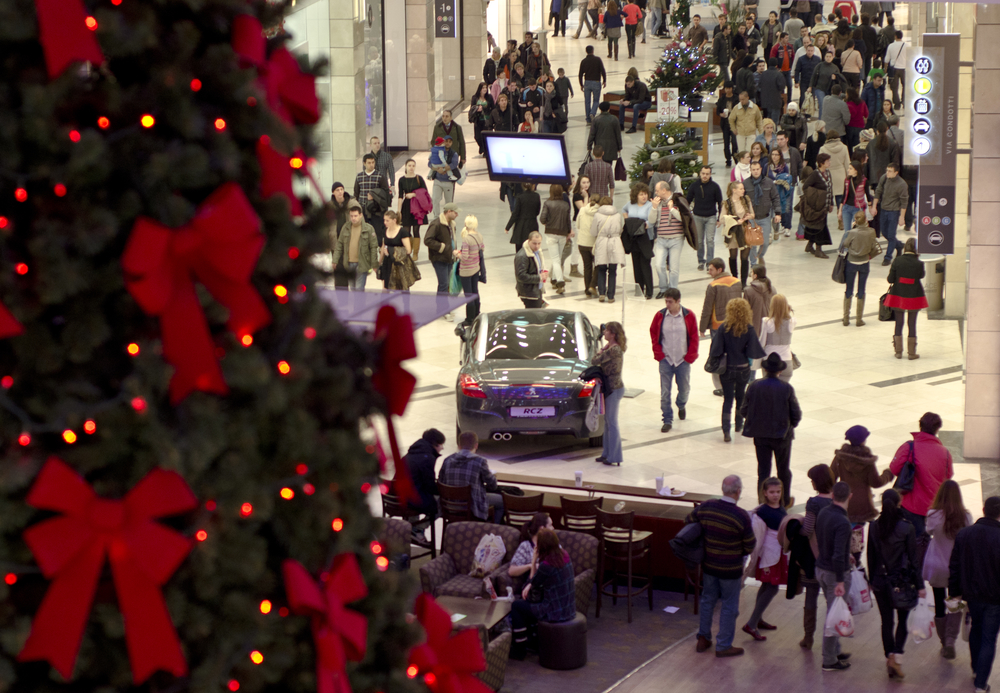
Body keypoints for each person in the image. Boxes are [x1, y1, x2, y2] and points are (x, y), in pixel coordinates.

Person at [688, 475, 756, 658]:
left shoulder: (707, 506)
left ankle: (703, 638)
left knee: (707, 600)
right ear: (738, 492)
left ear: (722, 489)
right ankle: (723, 645)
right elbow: (750, 545)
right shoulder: (741, 515)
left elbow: (689, 520)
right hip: (730, 570)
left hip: (709, 565)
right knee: (729, 606)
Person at [867, 488, 922, 679]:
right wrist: (920, 585)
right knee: (902, 621)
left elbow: (871, 556)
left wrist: (871, 580)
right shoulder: (907, 528)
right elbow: (914, 561)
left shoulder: (874, 526)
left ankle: (889, 656)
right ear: (899, 503)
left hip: (880, 581)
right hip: (902, 581)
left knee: (886, 621)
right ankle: (896, 657)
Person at [949, 495, 1000, 693]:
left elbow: (954, 566)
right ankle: (981, 684)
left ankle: (975, 669)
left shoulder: (965, 534)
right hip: (995, 598)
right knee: (989, 638)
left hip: (972, 595)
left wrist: (954, 593)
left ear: (983, 509)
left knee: (975, 630)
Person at [741, 353, 801, 505]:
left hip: (760, 435)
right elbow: (796, 413)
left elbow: (744, 410)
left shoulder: (754, 385)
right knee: (783, 470)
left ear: (766, 370)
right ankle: (784, 500)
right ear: (779, 371)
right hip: (782, 436)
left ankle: (763, 501)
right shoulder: (786, 388)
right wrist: (790, 425)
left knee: (763, 470)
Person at [510, 528, 577, 660]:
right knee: (527, 605)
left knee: (517, 606)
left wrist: (534, 561)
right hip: (568, 607)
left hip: (553, 611)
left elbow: (531, 587)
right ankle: (533, 640)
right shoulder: (564, 555)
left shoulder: (547, 565)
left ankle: (520, 648)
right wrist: (531, 584)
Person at [924, 480, 972, 659]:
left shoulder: (933, 514)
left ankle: (943, 641)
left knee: (938, 603)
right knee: (955, 603)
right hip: (956, 568)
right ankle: (951, 639)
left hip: (936, 566)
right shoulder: (966, 517)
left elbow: (929, 531)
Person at [889, 412, 954, 541]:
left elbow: (894, 468)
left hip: (910, 504)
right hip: (934, 505)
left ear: (920, 426)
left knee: (913, 542)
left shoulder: (909, 447)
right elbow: (948, 476)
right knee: (927, 541)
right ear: (937, 429)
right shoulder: (945, 453)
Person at [742, 477, 791, 641]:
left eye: (778, 492)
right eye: (772, 492)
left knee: (766, 586)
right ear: (764, 493)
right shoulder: (763, 511)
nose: (776, 495)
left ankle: (758, 619)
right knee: (772, 587)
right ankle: (751, 623)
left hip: (777, 554)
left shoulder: (780, 508)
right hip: (770, 556)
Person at [710, 298, 766, 442]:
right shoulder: (748, 328)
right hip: (743, 369)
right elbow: (755, 351)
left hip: (727, 369)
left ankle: (726, 430)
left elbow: (716, 350)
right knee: (741, 397)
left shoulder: (724, 328)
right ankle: (738, 425)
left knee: (727, 399)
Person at [814, 481, 854, 672]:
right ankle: (829, 659)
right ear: (850, 497)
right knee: (833, 617)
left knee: (833, 611)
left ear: (832, 495)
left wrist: (846, 554)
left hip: (821, 568)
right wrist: (840, 580)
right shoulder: (843, 522)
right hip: (834, 574)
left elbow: (825, 541)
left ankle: (835, 650)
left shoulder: (824, 513)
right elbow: (838, 555)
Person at [650, 288, 698, 433]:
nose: (667, 304)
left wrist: (690, 357)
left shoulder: (688, 316)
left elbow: (694, 337)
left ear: (678, 301)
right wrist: (658, 354)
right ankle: (667, 419)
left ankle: (681, 404)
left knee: (684, 389)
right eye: (666, 301)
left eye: (670, 302)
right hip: (666, 360)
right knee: (665, 393)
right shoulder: (660, 316)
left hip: (683, 360)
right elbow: (653, 333)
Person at [885, 237, 927, 359]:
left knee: (899, 323)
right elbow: (921, 275)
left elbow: (890, 279)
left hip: (898, 294)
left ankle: (898, 351)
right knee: (912, 323)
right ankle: (912, 353)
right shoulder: (919, 263)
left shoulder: (897, 261)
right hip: (914, 295)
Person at [592, 322, 626, 465]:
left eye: (607, 331)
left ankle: (615, 456)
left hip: (614, 388)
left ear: (613, 334)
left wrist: (601, 352)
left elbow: (595, 360)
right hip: (609, 388)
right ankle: (606, 453)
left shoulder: (614, 350)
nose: (604, 333)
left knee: (612, 422)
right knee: (607, 422)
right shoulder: (610, 348)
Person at [648, 181, 688, 295]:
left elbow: (683, 218)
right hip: (661, 238)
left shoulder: (677, 200)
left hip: (676, 238)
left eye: (657, 190)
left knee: (673, 267)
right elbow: (651, 221)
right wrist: (654, 208)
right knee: (659, 265)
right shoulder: (658, 203)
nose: (655, 193)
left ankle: (673, 290)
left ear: (664, 190)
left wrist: (672, 209)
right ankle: (663, 288)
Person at [841, 211, 879, 326]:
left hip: (852, 262)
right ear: (866, 220)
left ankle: (846, 318)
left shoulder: (852, 232)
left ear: (855, 221)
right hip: (864, 262)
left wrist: (853, 228)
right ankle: (859, 319)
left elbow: (845, 244)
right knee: (861, 289)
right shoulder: (871, 232)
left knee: (849, 289)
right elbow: (873, 245)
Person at [331, 202, 379, 291]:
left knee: (359, 289)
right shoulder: (346, 227)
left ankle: (358, 305)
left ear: (360, 215)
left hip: (362, 263)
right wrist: (335, 260)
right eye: (351, 216)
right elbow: (339, 245)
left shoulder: (368, 229)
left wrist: (374, 264)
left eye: (355, 216)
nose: (353, 218)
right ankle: (357, 305)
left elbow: (373, 247)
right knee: (353, 289)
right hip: (349, 264)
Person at [686, 166, 724, 271]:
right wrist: (686, 214)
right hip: (697, 216)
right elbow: (688, 200)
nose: (705, 176)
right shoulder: (694, 186)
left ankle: (709, 262)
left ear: (710, 174)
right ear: (700, 173)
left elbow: (720, 202)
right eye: (703, 173)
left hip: (711, 217)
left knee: (710, 240)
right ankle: (701, 261)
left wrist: (719, 217)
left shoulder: (715, 187)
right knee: (699, 241)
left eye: (707, 174)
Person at [403, 428, 445, 522]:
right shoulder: (427, 457)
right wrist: (442, 490)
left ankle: (411, 529)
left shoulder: (410, 453)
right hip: (410, 499)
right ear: (435, 444)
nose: (442, 448)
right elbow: (429, 484)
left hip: (396, 497)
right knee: (442, 503)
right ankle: (419, 528)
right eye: (442, 444)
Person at [539, 184, 573, 293]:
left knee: (555, 259)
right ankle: (553, 280)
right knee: (558, 257)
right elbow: (568, 221)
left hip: (551, 233)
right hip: (563, 233)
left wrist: (547, 223)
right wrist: (568, 232)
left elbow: (542, 219)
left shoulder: (547, 203)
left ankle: (560, 282)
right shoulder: (565, 205)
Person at [720, 180, 755, 287]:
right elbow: (722, 219)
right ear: (734, 190)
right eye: (741, 189)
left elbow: (753, 214)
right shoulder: (727, 203)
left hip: (744, 231)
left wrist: (749, 216)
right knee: (733, 256)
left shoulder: (746, 200)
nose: (743, 190)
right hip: (733, 233)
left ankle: (743, 282)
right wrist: (735, 221)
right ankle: (735, 279)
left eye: (743, 188)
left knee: (744, 257)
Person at [798, 158, 834, 258]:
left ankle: (809, 245)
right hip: (818, 206)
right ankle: (818, 250)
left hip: (825, 205)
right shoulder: (815, 174)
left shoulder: (828, 173)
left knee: (817, 225)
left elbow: (830, 188)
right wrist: (815, 197)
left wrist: (831, 202)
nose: (829, 163)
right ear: (821, 163)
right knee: (820, 227)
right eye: (827, 161)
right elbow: (806, 186)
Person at [745, 162, 780, 266]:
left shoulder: (769, 183)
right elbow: (742, 200)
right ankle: (753, 264)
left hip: (765, 216)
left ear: (761, 169)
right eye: (753, 169)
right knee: (752, 242)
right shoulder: (746, 183)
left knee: (765, 242)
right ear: (750, 170)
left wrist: (777, 213)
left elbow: (775, 198)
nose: (755, 171)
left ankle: (760, 256)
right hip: (751, 218)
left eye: (757, 169)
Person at [873, 162, 907, 266]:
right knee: (885, 233)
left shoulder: (902, 184)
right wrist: (874, 206)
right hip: (883, 209)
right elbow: (878, 191)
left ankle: (888, 257)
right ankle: (899, 245)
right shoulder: (884, 178)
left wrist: (902, 217)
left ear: (896, 172)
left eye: (890, 171)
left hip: (894, 211)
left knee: (891, 235)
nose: (887, 173)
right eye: (887, 170)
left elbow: (904, 202)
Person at [509, 512, 555, 589]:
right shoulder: (526, 546)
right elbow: (511, 571)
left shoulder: (553, 544)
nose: (553, 528)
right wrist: (530, 566)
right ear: (542, 528)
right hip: (532, 588)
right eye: (550, 525)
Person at [592, 197, 625, 303]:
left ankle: (601, 293)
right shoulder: (617, 215)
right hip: (614, 242)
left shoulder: (597, 215)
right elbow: (620, 229)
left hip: (602, 241)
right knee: (612, 270)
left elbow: (593, 231)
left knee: (601, 269)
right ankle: (611, 295)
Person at [424, 202, 460, 297]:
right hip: (439, 258)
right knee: (443, 284)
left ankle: (444, 307)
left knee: (447, 284)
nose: (457, 215)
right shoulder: (436, 224)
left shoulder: (452, 224)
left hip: (449, 257)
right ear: (449, 211)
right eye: (455, 213)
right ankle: (442, 308)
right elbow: (427, 240)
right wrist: (442, 247)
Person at [354, 153, 391, 243]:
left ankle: (377, 249)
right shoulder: (359, 176)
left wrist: (375, 197)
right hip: (363, 208)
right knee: (363, 231)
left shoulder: (380, 176)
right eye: (369, 163)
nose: (371, 165)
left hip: (376, 208)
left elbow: (385, 192)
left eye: (373, 162)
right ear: (364, 164)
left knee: (377, 231)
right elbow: (356, 193)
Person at [759, 294, 795, 382]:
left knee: (769, 390)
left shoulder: (767, 321)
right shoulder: (792, 321)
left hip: (770, 360)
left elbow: (762, 343)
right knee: (783, 390)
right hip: (787, 360)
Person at [397, 160, 428, 260]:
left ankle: (415, 252)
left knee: (416, 229)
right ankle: (408, 250)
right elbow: (400, 195)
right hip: (406, 206)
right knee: (406, 229)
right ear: (405, 166)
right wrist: (398, 210)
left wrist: (414, 194)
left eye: (413, 165)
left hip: (417, 206)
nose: (411, 167)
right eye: (409, 165)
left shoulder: (419, 178)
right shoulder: (401, 180)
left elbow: (424, 191)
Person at [819, 129, 851, 230]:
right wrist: (848, 177)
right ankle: (841, 221)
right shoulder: (844, 147)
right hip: (841, 175)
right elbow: (847, 164)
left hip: (828, 176)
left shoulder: (823, 149)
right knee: (840, 201)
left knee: (825, 200)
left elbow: (819, 164)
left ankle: (822, 222)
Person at [458, 214, 486, 326]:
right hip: (476, 268)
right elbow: (482, 248)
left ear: (466, 224)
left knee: (468, 294)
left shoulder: (466, 239)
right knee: (475, 291)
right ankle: (476, 314)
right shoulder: (479, 235)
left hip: (466, 270)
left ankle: (469, 318)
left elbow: (464, 257)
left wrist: (456, 254)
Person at [575, 178, 600, 297]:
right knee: (598, 265)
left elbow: (577, 225)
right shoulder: (599, 212)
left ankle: (587, 290)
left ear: (589, 200)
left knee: (587, 266)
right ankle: (592, 285)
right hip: (594, 243)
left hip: (582, 242)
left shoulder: (583, 210)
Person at [380, 210, 417, 291]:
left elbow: (408, 250)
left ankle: (405, 303)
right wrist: (379, 261)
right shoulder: (385, 230)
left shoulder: (402, 232)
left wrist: (392, 250)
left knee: (403, 286)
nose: (385, 222)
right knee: (386, 286)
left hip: (400, 263)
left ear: (394, 220)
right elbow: (383, 246)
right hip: (388, 262)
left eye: (387, 220)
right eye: (384, 220)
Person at [427, 137, 460, 219]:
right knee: (435, 199)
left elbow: (454, 164)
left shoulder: (453, 154)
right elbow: (430, 163)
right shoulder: (436, 151)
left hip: (448, 182)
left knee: (448, 202)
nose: (447, 143)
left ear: (452, 143)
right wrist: (437, 169)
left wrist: (444, 169)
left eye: (450, 142)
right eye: (446, 141)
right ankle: (436, 217)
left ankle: (447, 218)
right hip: (437, 180)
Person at [504, 183, 541, 254]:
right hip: (533, 224)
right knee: (532, 248)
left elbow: (515, 214)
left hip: (521, 226)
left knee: (520, 250)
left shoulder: (520, 197)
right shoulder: (537, 196)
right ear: (533, 186)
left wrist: (508, 227)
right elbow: (537, 211)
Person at [329, 183, 354, 287]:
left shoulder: (352, 204)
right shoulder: (329, 206)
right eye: (337, 190)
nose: (340, 192)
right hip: (336, 242)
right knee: (338, 271)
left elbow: (361, 221)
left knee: (352, 271)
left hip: (351, 243)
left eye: (341, 189)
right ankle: (341, 298)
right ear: (333, 192)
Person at [514, 231, 547, 308]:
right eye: (534, 243)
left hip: (536, 289)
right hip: (528, 293)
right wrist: (539, 277)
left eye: (539, 243)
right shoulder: (522, 256)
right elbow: (521, 276)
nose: (537, 246)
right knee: (533, 316)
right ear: (529, 241)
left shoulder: (537, 252)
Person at [766, 149, 793, 240]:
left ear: (780, 156)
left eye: (776, 154)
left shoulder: (784, 166)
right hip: (771, 191)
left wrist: (781, 181)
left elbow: (787, 177)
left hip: (782, 190)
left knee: (786, 208)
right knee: (772, 210)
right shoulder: (767, 166)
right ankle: (773, 230)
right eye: (773, 154)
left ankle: (787, 227)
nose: (774, 156)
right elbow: (764, 178)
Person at [809, 49, 843, 120]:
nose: (828, 58)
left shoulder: (835, 67)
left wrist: (835, 78)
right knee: (822, 104)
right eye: (827, 56)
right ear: (824, 57)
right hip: (819, 88)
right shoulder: (819, 66)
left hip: (830, 89)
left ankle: (827, 120)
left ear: (832, 57)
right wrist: (810, 86)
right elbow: (814, 76)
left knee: (829, 105)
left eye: (830, 56)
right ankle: (821, 120)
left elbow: (839, 79)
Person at [588, 103, 622, 171]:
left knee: (599, 167)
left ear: (600, 109)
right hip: (611, 146)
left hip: (599, 146)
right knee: (609, 166)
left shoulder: (596, 120)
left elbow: (592, 134)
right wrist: (619, 147)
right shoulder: (614, 119)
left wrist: (589, 146)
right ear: (609, 109)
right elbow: (618, 134)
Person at [579, 45, 607, 124]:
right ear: (593, 51)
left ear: (586, 51)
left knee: (587, 101)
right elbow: (602, 70)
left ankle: (588, 118)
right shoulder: (597, 60)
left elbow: (580, 74)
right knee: (596, 100)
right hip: (596, 82)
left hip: (587, 82)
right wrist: (604, 80)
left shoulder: (583, 61)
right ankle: (592, 113)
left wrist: (581, 84)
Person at [716, 83, 739, 166]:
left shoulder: (736, 99)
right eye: (726, 88)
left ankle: (736, 158)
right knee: (726, 142)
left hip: (734, 124)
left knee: (734, 142)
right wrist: (721, 114)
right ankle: (728, 159)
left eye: (729, 88)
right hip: (725, 123)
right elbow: (717, 111)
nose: (728, 90)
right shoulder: (722, 99)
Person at [469, 82, 495, 153]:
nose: (485, 89)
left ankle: (485, 150)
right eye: (483, 88)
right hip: (478, 120)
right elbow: (472, 108)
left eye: (486, 88)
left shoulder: (489, 97)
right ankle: (482, 147)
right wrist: (477, 109)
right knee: (477, 137)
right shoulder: (475, 98)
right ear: (480, 89)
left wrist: (484, 108)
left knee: (486, 135)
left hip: (487, 119)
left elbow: (493, 108)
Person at [770, 32, 796, 102]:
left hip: (788, 70)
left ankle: (789, 100)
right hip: (780, 70)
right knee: (781, 87)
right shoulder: (776, 47)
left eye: (788, 38)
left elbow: (793, 57)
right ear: (782, 38)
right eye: (786, 38)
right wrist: (776, 68)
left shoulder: (790, 46)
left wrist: (793, 67)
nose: (787, 39)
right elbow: (772, 58)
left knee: (790, 86)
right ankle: (782, 101)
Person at [370, 136, 396, 201]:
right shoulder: (368, 157)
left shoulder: (387, 156)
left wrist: (392, 184)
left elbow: (391, 171)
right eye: (375, 143)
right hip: (372, 185)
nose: (377, 145)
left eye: (378, 143)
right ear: (371, 145)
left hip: (383, 185)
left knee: (384, 204)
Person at [884, 30, 906, 109]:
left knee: (894, 87)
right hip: (904, 68)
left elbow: (887, 59)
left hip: (894, 69)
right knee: (905, 86)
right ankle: (904, 102)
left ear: (895, 36)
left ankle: (897, 104)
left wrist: (885, 68)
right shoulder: (906, 45)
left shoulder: (891, 46)